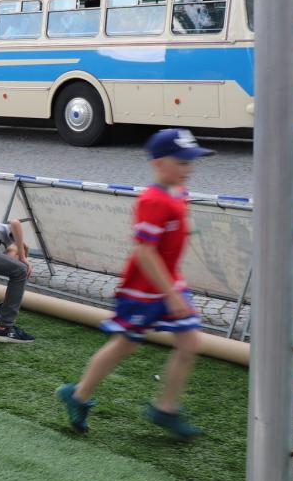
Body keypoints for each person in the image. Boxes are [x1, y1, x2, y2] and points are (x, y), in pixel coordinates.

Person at [58, 129, 214, 439]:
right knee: (125, 343)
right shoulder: (153, 200)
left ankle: (165, 408)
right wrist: (170, 293)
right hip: (144, 289)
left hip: (169, 283)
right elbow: (144, 251)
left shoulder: (178, 193)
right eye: (182, 162)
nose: (189, 168)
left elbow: (176, 229)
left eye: (191, 161)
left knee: (190, 343)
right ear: (158, 164)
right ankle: (77, 395)